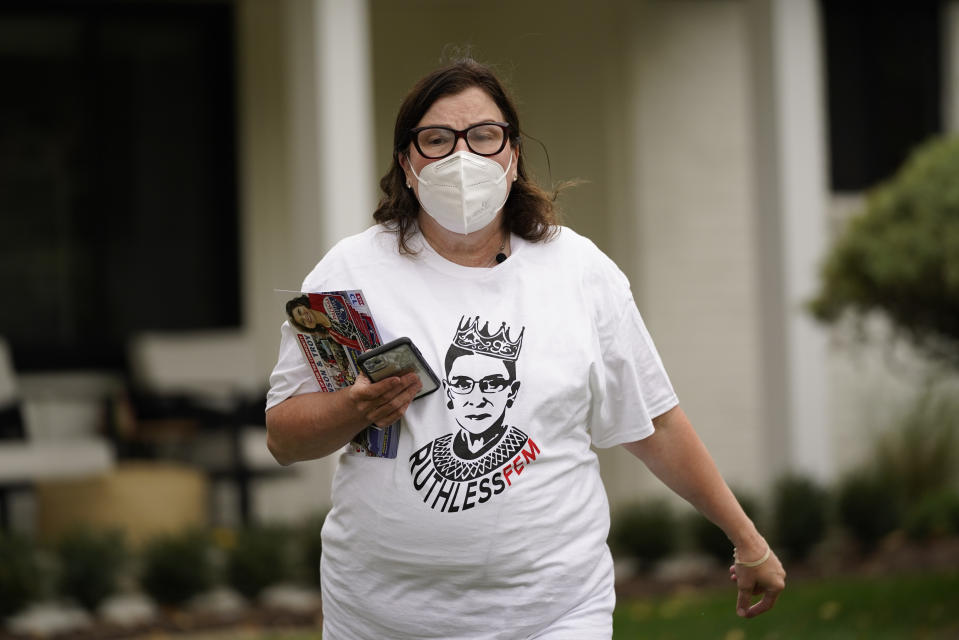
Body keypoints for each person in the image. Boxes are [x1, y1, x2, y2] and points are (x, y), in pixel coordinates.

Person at [265, 58, 785, 639]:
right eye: (436, 140)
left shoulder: (580, 271)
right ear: (406, 164)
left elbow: (654, 424)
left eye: (485, 136)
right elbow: (284, 437)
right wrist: (352, 408)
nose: (463, 158)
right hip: (383, 617)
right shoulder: (350, 274)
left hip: (554, 612)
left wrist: (749, 541)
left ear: (513, 156)